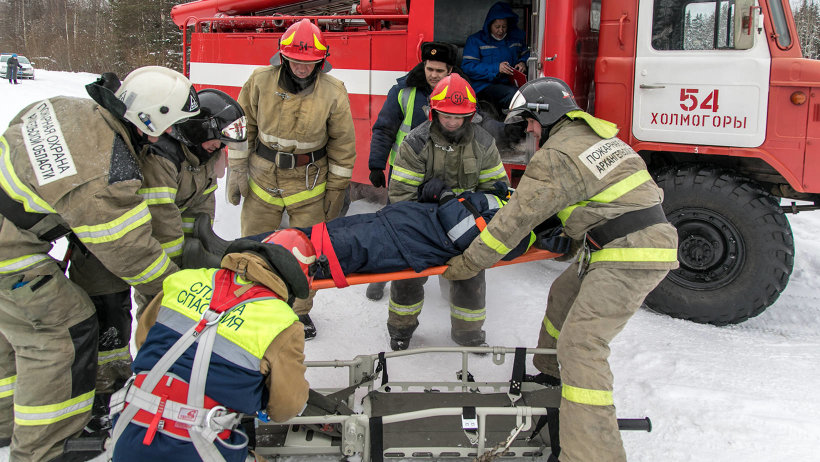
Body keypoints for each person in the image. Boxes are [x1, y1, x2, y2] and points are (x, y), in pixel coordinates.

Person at [443, 77, 679, 462]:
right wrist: (571, 237)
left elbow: (510, 224)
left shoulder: (556, 156)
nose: (530, 131)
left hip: (628, 253)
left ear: (546, 115)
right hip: (625, 242)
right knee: (563, 295)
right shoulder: (599, 140)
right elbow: (603, 199)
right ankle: (551, 374)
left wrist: (467, 264)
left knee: (583, 345)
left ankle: (592, 454)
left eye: (531, 122)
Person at [0, 66, 199, 462]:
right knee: (62, 328)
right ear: (151, 119)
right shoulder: (106, 170)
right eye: (172, 125)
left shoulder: (70, 108)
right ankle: (45, 449)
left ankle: (7, 419)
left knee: (16, 329)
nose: (171, 135)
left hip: (10, 233)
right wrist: (180, 290)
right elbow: (131, 253)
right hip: (9, 252)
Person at [65, 86, 249, 423]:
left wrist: (200, 255)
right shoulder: (162, 157)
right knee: (111, 321)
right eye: (217, 141)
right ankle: (101, 401)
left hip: (145, 251)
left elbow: (199, 210)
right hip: (108, 248)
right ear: (197, 129)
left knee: (154, 317)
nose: (221, 149)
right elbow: (162, 224)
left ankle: (140, 384)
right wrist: (174, 284)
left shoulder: (202, 157)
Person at [108, 234, 311, 462]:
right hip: (200, 448)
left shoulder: (182, 281)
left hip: (130, 429)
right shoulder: (281, 320)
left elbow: (144, 339)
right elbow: (286, 406)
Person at [227, 18, 356, 341]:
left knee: (307, 251)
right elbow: (243, 126)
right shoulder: (259, 80)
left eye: (309, 62)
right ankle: (254, 304)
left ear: (321, 61)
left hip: (310, 182)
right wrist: (237, 169)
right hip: (262, 176)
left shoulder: (333, 91)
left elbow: (343, 144)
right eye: (296, 61)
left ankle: (299, 312)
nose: (302, 68)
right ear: (283, 57)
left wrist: (337, 189)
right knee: (255, 246)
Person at [188, 180, 553, 280]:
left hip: (399, 245)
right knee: (309, 235)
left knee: (310, 254)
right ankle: (226, 247)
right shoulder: (505, 201)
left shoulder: (518, 233)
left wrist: (445, 196)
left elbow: (463, 235)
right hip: (396, 223)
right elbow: (465, 207)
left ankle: (217, 262)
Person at [385, 73, 508, 351]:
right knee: (408, 274)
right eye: (446, 115)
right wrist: (432, 205)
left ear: (471, 115)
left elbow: (498, 190)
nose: (452, 122)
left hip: (466, 222)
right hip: (423, 223)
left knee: (471, 272)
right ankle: (401, 329)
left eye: (459, 116)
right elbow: (401, 197)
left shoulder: (484, 143)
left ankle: (468, 333)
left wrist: (465, 206)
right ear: (434, 112)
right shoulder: (416, 142)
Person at [365, 41, 461, 302]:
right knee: (395, 227)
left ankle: (448, 288)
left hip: (442, 177)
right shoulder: (403, 91)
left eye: (440, 71)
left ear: (450, 70)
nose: (433, 75)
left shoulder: (460, 94)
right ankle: (381, 277)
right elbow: (384, 128)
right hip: (404, 176)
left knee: (447, 231)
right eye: (429, 68)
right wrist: (376, 164)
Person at [461, 2, 529, 116]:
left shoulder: (516, 38)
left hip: (509, 84)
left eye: (504, 27)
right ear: (489, 25)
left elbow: (528, 53)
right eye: (497, 27)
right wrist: (496, 68)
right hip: (483, 87)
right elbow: (468, 67)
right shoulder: (475, 40)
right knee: (515, 95)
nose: (500, 30)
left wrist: (523, 62)